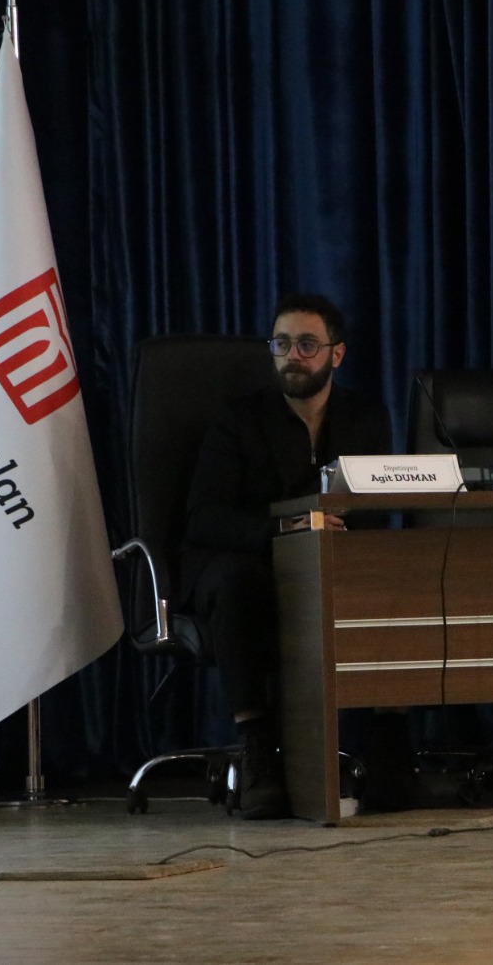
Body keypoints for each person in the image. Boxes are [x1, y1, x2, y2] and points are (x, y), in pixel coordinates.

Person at [181, 293, 391, 818]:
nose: (292, 356)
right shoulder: (239, 420)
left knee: (392, 572)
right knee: (242, 583)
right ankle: (257, 749)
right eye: (281, 344)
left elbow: (379, 505)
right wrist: (285, 529)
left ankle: (391, 751)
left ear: (336, 354)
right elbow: (204, 517)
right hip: (239, 560)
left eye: (306, 345)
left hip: (328, 559)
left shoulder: (365, 418)